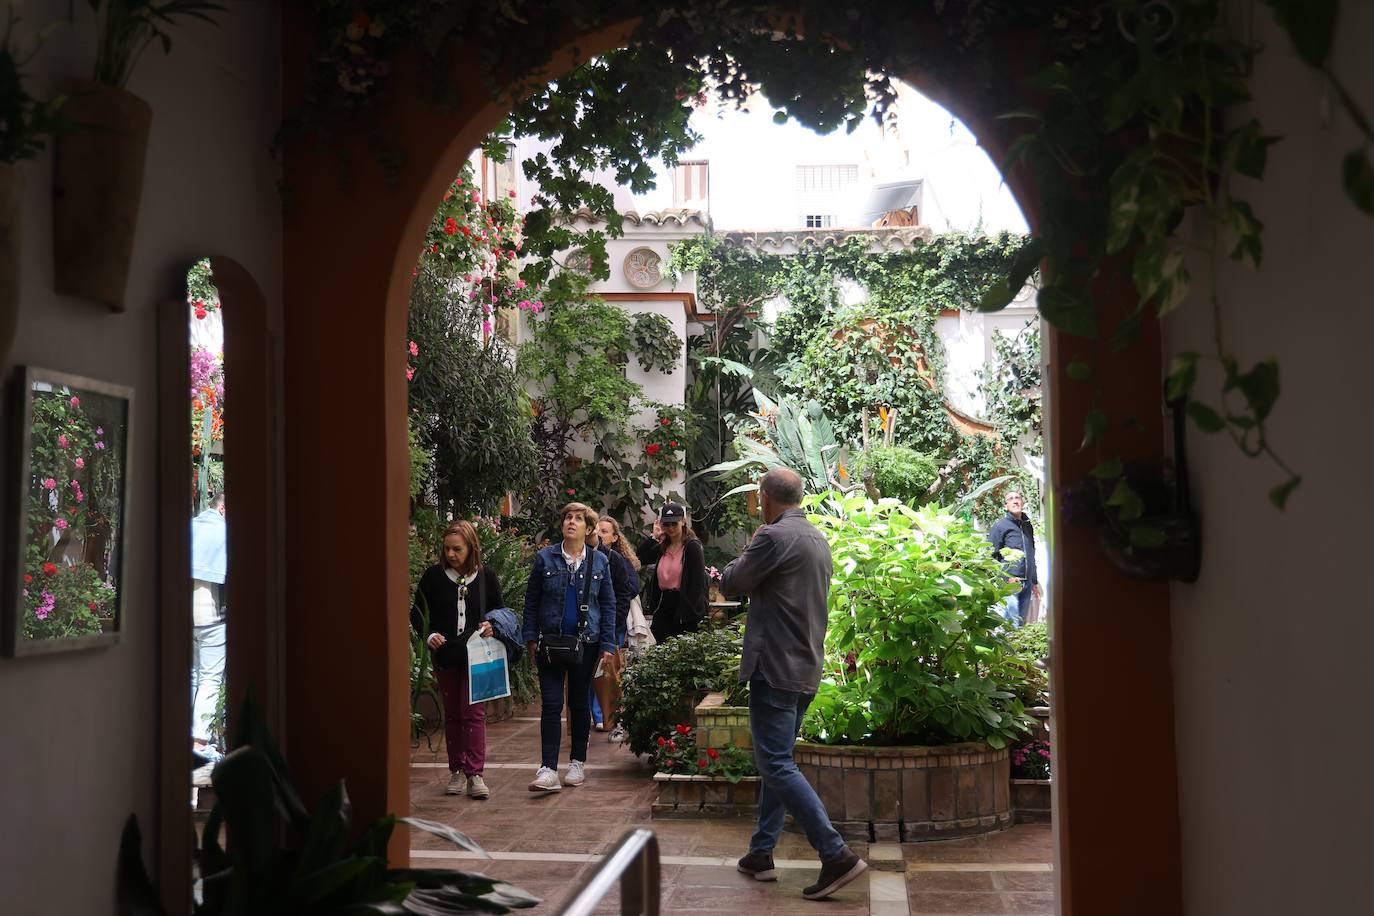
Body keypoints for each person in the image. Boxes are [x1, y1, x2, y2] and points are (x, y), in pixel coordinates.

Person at [720, 468, 868, 901]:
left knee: (776, 763)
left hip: (775, 668)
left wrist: (749, 546)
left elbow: (732, 581)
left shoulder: (772, 537)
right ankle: (761, 853)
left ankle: (834, 852)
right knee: (776, 759)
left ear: (765, 497)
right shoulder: (817, 538)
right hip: (805, 667)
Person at [522, 502, 618, 793]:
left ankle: (577, 762)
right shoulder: (544, 559)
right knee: (551, 704)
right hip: (550, 642)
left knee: (577, 704)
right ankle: (548, 768)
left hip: (586, 643)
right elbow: (532, 600)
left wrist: (608, 644)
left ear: (588, 528)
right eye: (567, 518)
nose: (571, 522)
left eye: (578, 519)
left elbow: (609, 604)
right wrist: (530, 637)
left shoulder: (599, 561)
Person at [410, 520, 502, 800]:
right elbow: (417, 613)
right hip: (445, 654)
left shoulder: (487, 578)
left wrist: (491, 626)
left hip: (477, 654)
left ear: (471, 548)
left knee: (472, 713)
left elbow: (499, 611)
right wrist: (430, 636)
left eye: (457, 549)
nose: (451, 554)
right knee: (452, 713)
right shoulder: (434, 577)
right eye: (447, 549)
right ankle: (457, 770)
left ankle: (476, 774)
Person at [593, 515, 639, 743]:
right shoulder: (587, 557)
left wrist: (616, 617)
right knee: (592, 670)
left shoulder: (617, 560)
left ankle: (609, 715)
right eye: (597, 530)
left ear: (614, 537)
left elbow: (630, 589)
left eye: (604, 531)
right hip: (592, 624)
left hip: (613, 624)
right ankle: (598, 714)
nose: (600, 534)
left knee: (610, 670)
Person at [190, 491, 227, 766]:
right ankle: (200, 741)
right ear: (223, 509)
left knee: (193, 675)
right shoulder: (223, 532)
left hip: (185, 614)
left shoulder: (191, 527)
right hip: (211, 615)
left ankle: (187, 735)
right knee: (211, 679)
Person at [647, 503, 707, 644]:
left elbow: (696, 583)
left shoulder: (692, 547)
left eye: (674, 523)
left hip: (684, 607)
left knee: (682, 653)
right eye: (666, 524)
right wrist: (654, 537)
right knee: (659, 648)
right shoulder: (662, 546)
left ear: (683, 522)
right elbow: (640, 558)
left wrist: (689, 612)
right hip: (663, 606)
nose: (670, 528)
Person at [988, 490, 1041, 628]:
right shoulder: (1000, 526)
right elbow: (991, 556)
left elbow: (1031, 553)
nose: (1015, 501)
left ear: (1022, 502)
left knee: (1021, 624)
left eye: (1017, 497)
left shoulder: (1027, 525)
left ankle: (1016, 649)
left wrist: (1034, 581)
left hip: (1027, 584)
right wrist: (1005, 579)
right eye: (1011, 499)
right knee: (1011, 624)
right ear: (1006, 506)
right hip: (1010, 584)